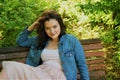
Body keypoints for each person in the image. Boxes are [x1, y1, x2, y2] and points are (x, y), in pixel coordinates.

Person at [0, 10, 90, 80]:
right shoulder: (39, 40)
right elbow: (20, 41)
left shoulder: (71, 40)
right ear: (44, 29)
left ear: (60, 25)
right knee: (11, 67)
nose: (52, 31)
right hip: (40, 72)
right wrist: (31, 27)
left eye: (55, 26)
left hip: (59, 76)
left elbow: (82, 64)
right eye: (48, 28)